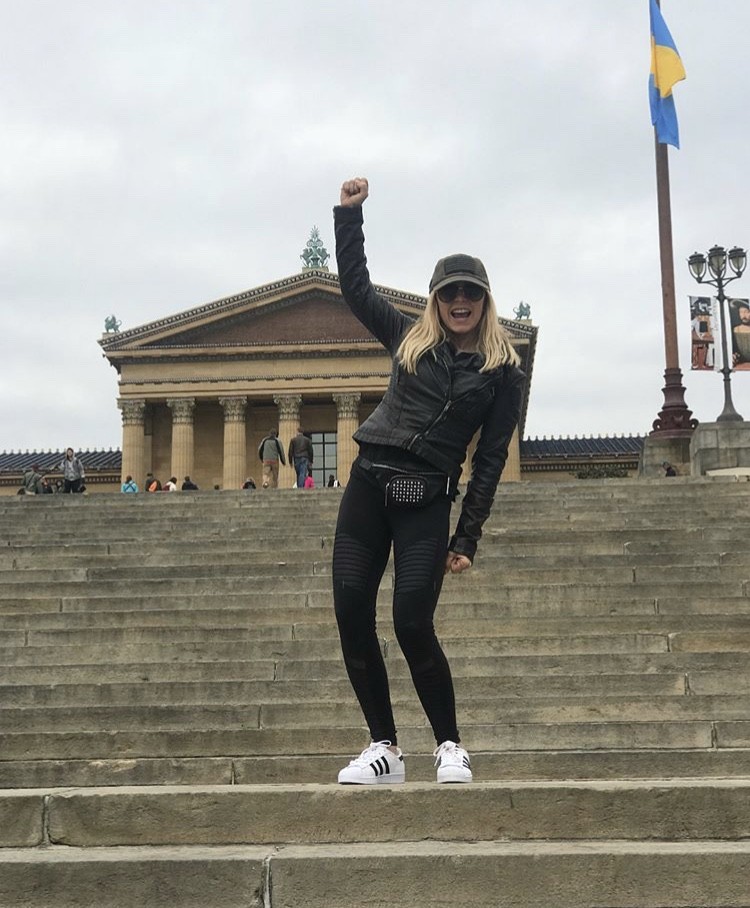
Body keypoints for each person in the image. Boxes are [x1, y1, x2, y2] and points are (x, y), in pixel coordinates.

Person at [332, 178, 525, 786]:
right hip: (368, 488)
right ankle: (383, 746)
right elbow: (357, 290)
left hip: (425, 501)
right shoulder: (410, 342)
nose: (460, 301)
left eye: (470, 293)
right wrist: (349, 216)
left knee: (412, 621)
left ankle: (449, 744)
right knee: (351, 614)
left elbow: (491, 458)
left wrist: (466, 537)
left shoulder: (501, 372)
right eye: (450, 292)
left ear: (484, 301)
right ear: (436, 300)